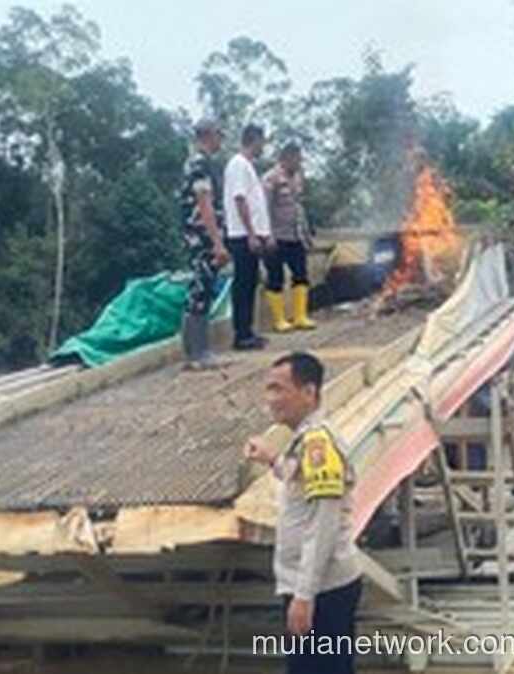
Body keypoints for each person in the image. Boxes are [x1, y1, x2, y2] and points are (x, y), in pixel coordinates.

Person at [244, 352, 362, 674]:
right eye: (269, 389)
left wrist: (304, 595)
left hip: (323, 589)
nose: (271, 399)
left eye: (279, 389)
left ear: (309, 392)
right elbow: (302, 481)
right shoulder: (307, 441)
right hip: (317, 584)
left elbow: (323, 523)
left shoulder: (318, 444)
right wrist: (273, 461)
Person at [178, 118, 230, 369]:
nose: (221, 139)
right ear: (209, 135)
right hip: (201, 235)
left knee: (205, 289)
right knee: (200, 289)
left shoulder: (202, 163)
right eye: (220, 134)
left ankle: (199, 351)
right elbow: (204, 204)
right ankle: (196, 353)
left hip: (203, 233)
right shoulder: (199, 164)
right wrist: (217, 242)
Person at [224, 124, 275, 351]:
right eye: (262, 142)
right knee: (243, 284)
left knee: (250, 283)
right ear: (254, 140)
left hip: (250, 234)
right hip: (242, 235)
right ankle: (241, 335)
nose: (263, 147)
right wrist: (252, 234)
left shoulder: (247, 166)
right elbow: (239, 200)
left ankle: (248, 331)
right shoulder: (238, 165)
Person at [261, 142, 316, 332]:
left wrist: (307, 234)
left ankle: (300, 316)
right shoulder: (270, 179)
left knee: (301, 275)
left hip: (296, 235)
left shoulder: (298, 178)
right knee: (275, 277)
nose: (299, 163)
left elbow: (299, 208)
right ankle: (279, 320)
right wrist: (267, 235)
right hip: (276, 236)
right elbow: (264, 209)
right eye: (296, 159)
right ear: (285, 158)